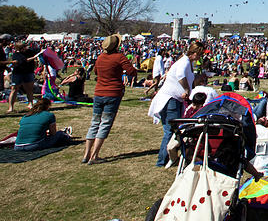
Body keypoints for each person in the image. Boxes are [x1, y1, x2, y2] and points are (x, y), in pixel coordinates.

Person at [83, 35, 136, 164]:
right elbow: (132, 72)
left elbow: (96, 72)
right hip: (112, 93)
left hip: (98, 92)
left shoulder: (100, 57)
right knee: (105, 123)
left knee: (95, 122)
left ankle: (86, 154)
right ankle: (94, 156)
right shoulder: (119, 57)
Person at [149, 41, 202, 167]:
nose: (199, 58)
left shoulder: (187, 63)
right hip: (170, 99)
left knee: (175, 129)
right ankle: (162, 160)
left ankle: (170, 157)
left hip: (176, 99)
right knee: (170, 130)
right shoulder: (184, 62)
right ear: (194, 53)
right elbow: (180, 76)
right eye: (198, 55)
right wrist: (186, 89)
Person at [8, 41, 37, 113]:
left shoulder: (29, 52)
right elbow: (23, 61)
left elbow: (36, 51)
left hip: (28, 72)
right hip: (18, 73)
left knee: (29, 89)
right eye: (24, 47)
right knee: (14, 89)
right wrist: (34, 57)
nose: (26, 48)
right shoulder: (16, 54)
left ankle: (30, 104)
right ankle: (11, 107)